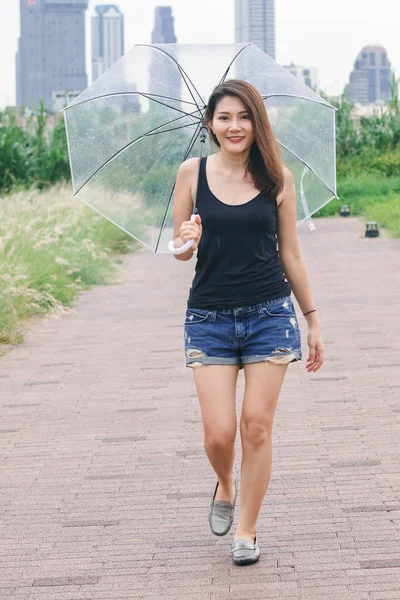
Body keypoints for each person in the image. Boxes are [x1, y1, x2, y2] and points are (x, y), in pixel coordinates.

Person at [171, 79, 324, 566]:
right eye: (224, 118)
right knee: (219, 434)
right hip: (209, 317)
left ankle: (247, 530)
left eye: (243, 117)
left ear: (257, 122)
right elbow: (178, 251)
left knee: (255, 427)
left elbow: (291, 255)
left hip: (269, 315)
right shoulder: (191, 173)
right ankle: (226, 480)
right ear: (210, 124)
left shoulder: (277, 176)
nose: (234, 127)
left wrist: (313, 320)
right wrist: (188, 239)